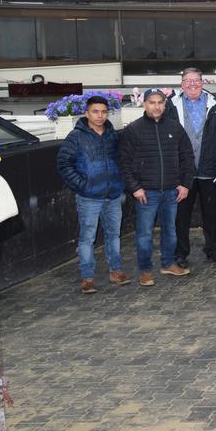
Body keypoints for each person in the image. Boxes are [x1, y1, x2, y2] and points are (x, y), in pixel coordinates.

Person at [119, 89, 195, 285]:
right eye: (152, 102)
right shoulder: (133, 130)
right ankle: (145, 270)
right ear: (144, 104)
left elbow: (187, 157)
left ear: (165, 104)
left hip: (171, 191)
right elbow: (124, 163)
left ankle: (168, 264)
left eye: (160, 102)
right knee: (144, 234)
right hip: (146, 193)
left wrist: (185, 184)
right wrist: (135, 188)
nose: (156, 106)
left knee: (170, 231)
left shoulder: (175, 127)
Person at [56, 95, 129, 293]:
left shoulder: (113, 135)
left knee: (114, 235)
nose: (100, 116)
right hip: (89, 197)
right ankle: (87, 277)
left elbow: (122, 160)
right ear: (87, 113)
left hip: (113, 194)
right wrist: (82, 185)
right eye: (95, 111)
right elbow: (63, 164)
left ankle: (116, 271)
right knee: (87, 237)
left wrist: (120, 182)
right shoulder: (76, 136)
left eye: (104, 112)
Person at [167, 67, 216, 268]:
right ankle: (180, 253)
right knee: (181, 216)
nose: (192, 84)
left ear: (203, 83)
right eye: (188, 80)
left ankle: (213, 249)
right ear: (182, 84)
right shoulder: (171, 106)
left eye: (196, 80)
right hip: (182, 172)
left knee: (212, 214)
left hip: (210, 170)